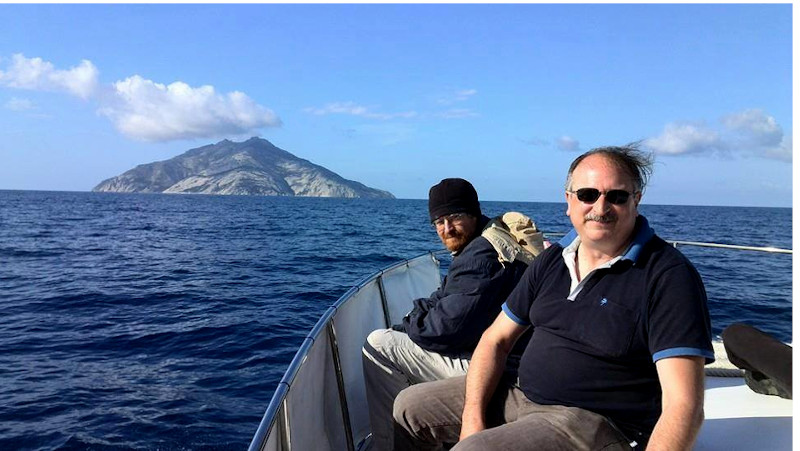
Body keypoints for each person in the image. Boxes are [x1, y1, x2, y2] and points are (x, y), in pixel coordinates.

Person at [393, 145, 715, 451]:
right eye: (588, 195)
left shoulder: (667, 276)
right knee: (409, 408)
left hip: (594, 421)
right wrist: (472, 416)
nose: (600, 208)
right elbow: (496, 340)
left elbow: (684, 404)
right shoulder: (553, 261)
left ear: (636, 200)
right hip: (521, 391)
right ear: (569, 201)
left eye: (616, 196)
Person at [362, 178, 532, 451]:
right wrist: (415, 319)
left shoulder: (480, 258)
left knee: (379, 345)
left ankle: (388, 445)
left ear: (474, 214)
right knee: (399, 336)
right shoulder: (489, 239)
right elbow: (443, 299)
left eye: (455, 218)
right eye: (439, 222)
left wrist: (409, 322)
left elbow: (443, 331)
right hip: (509, 354)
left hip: (504, 367)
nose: (447, 229)